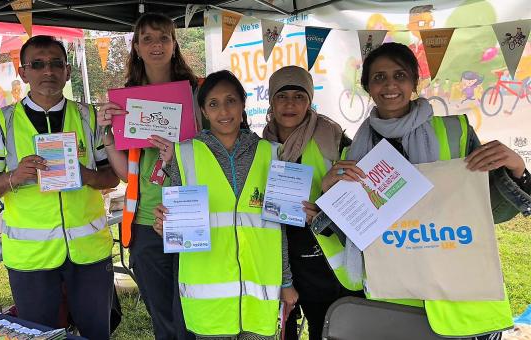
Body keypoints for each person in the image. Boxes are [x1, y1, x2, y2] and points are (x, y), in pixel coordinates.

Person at [319, 42, 531, 339]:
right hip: (396, 301)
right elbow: (357, 233)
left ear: (413, 82)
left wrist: (517, 170)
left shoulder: (456, 132)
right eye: (379, 77)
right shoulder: (354, 152)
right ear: (367, 86)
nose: (390, 84)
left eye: (399, 75)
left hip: (460, 302)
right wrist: (330, 197)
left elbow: (490, 210)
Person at [0, 35, 119, 340]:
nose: (47, 71)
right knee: (39, 337)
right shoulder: (3, 122)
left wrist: (86, 175)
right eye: (37, 64)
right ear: (23, 73)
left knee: (97, 334)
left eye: (56, 63)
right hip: (31, 258)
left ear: (67, 71)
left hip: (89, 253)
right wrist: (15, 176)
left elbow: (111, 177)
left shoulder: (88, 116)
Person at [153, 70, 282, 339]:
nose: (223, 110)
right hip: (208, 303)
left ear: (243, 104)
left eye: (231, 100)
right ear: (203, 110)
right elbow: (174, 223)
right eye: (213, 103)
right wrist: (164, 225)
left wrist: (288, 281)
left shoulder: (271, 153)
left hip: (259, 298)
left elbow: (278, 228)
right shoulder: (183, 154)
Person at [96, 13, 198, 340]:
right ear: (137, 47)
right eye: (148, 39)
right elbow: (128, 173)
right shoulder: (127, 100)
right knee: (162, 317)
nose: (157, 45)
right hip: (143, 222)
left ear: (174, 44)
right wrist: (108, 136)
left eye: (164, 37)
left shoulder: (197, 93)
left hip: (189, 214)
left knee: (191, 313)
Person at [260, 66, 364, 340]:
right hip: (284, 261)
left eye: (299, 96)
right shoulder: (262, 145)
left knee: (328, 330)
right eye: (282, 96)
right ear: (271, 102)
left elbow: (362, 191)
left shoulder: (332, 137)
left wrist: (325, 206)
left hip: (327, 264)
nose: (291, 104)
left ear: (309, 101)